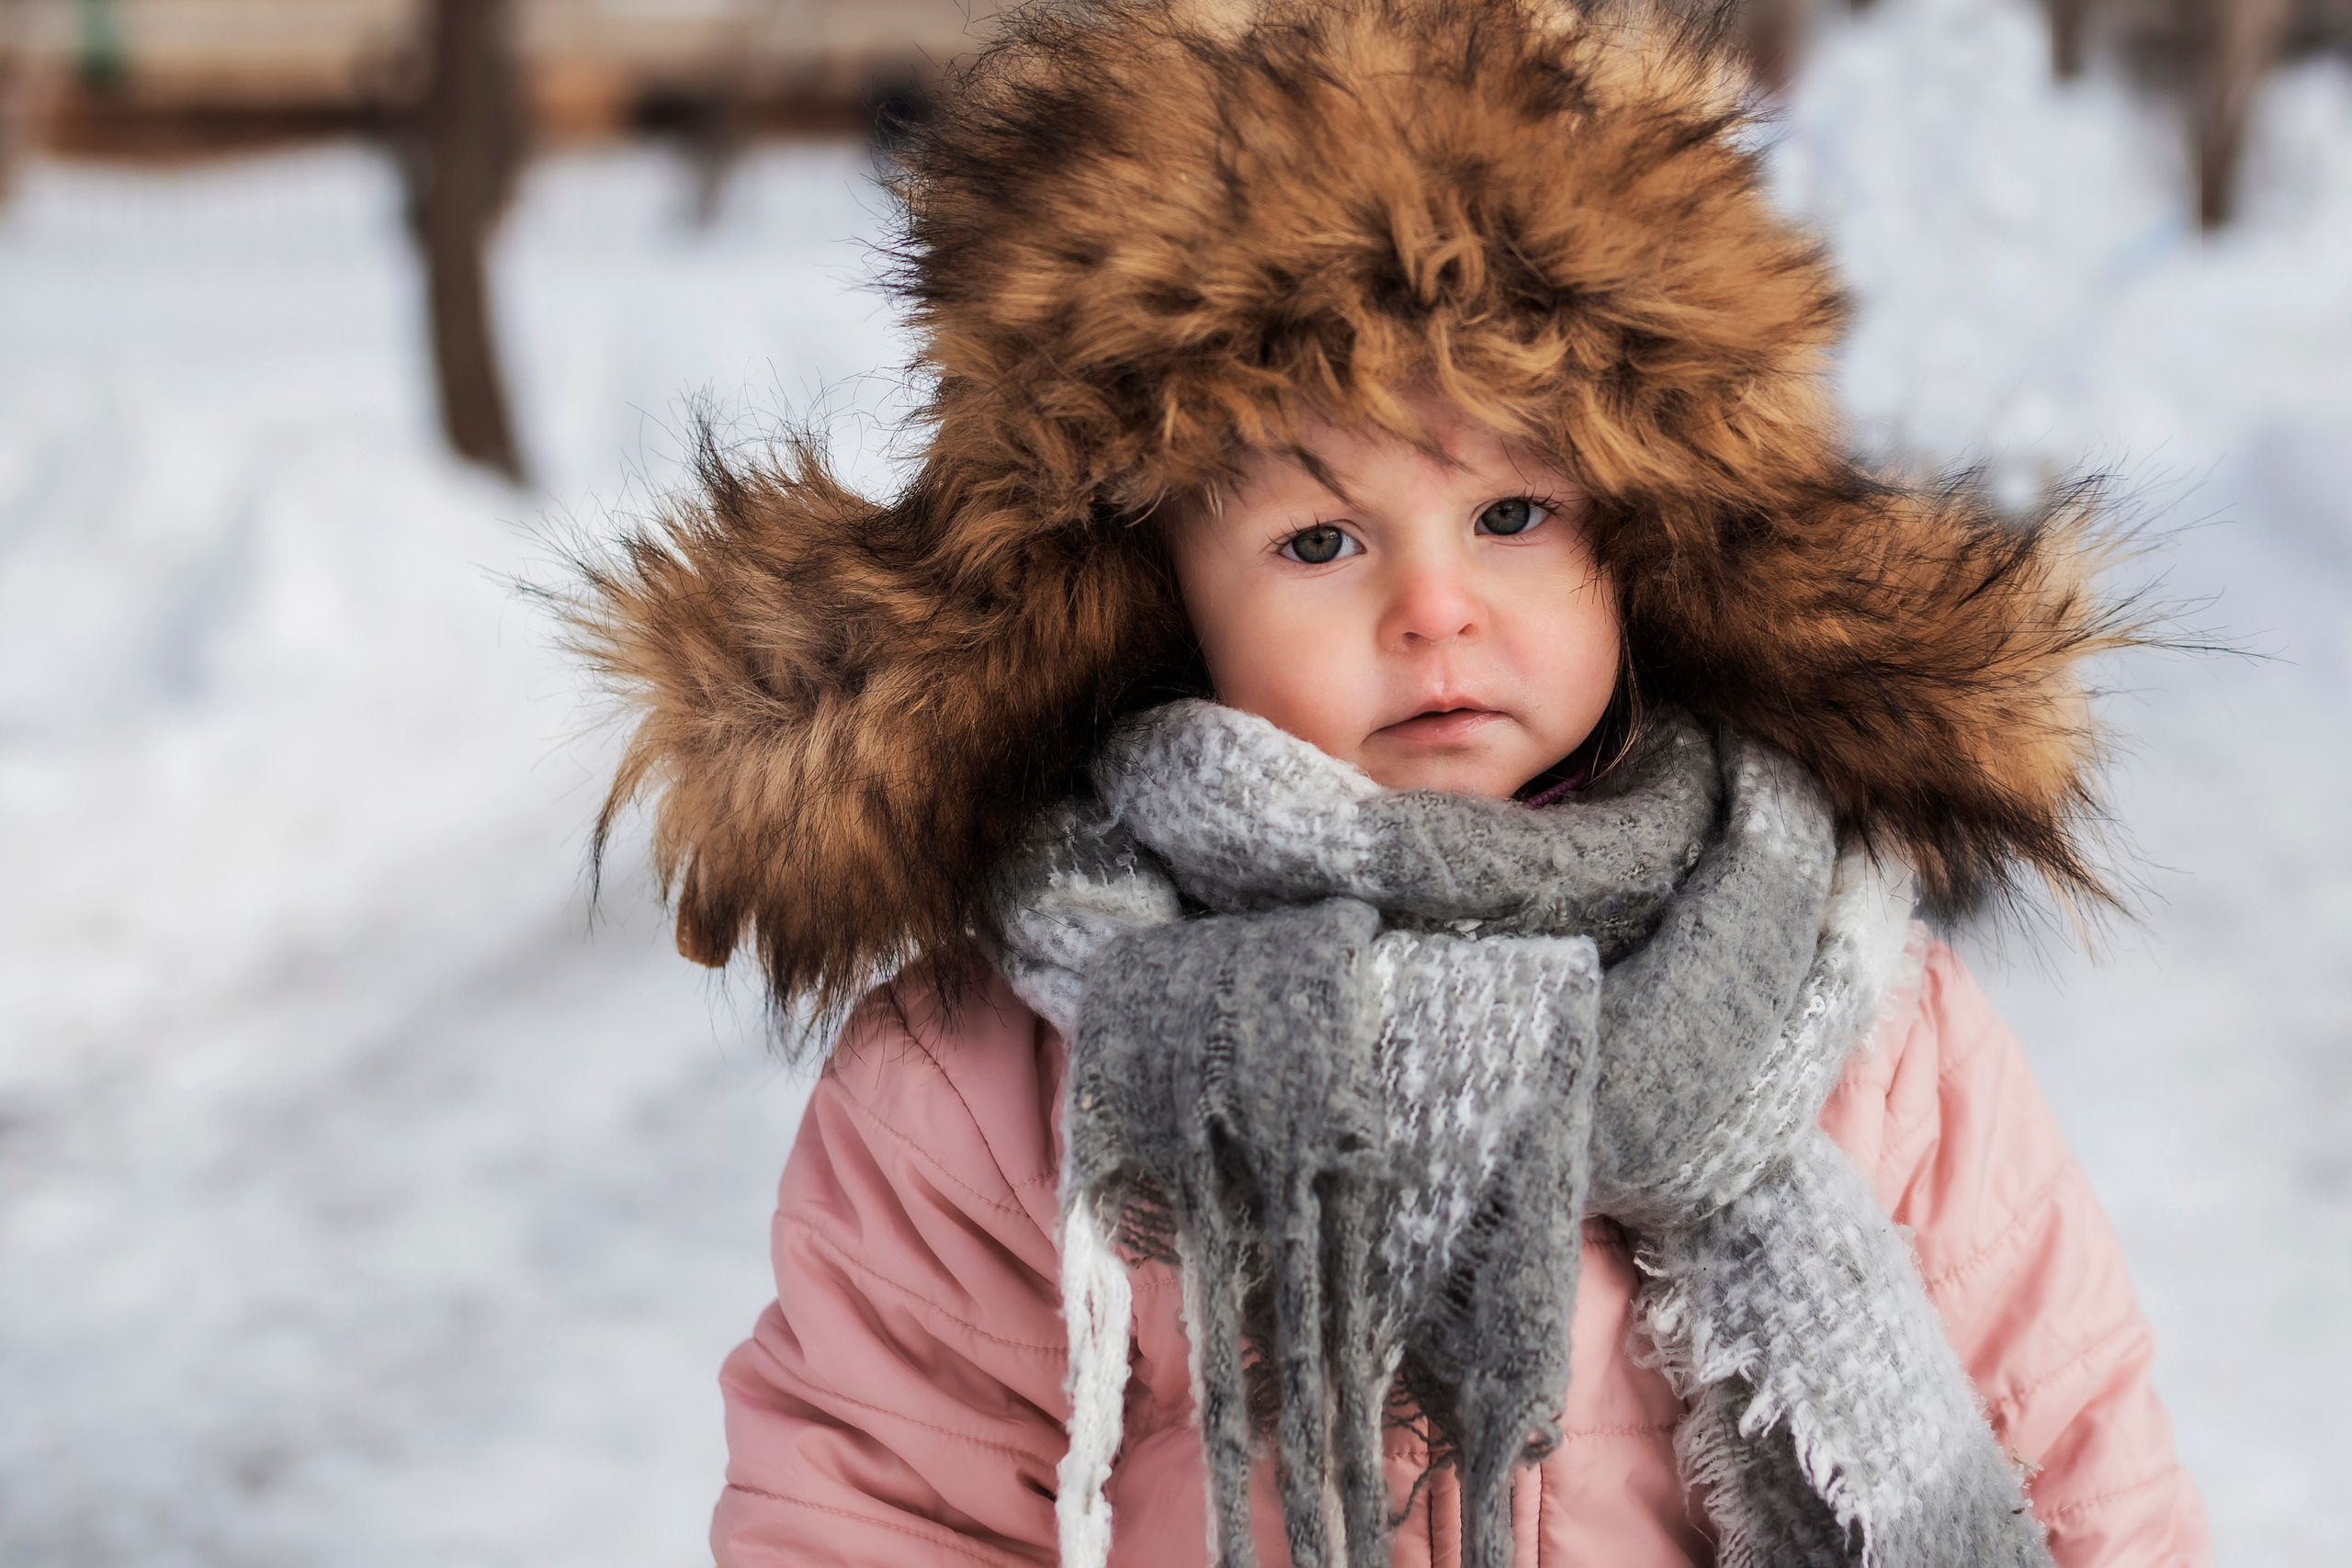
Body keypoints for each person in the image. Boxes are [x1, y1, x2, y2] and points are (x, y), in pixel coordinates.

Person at [574, 0, 2210, 1562]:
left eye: (1512, 516)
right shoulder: (1012, 1068)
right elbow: (880, 1508)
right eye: (1318, 540)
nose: (1433, 608)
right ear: (1156, 595)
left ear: (1646, 534)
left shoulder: (1855, 1016)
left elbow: (2067, 1446)